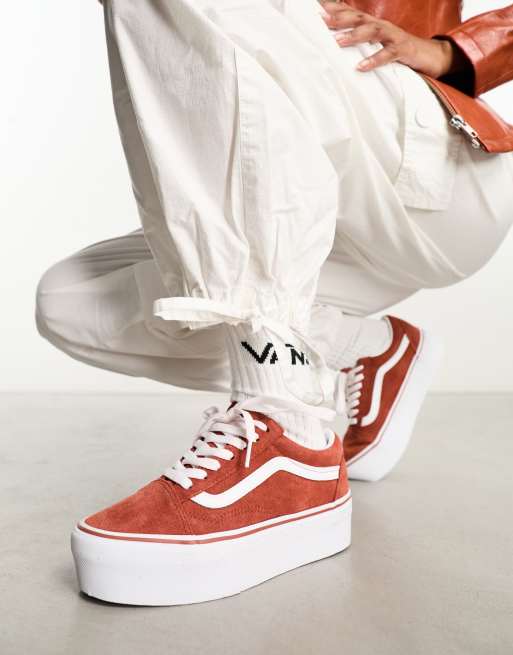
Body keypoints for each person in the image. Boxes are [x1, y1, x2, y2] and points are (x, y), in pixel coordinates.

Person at [36, 0, 513, 605]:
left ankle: (290, 433)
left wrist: (457, 51)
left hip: (425, 153)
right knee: (71, 301)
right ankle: (366, 348)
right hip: (313, 213)